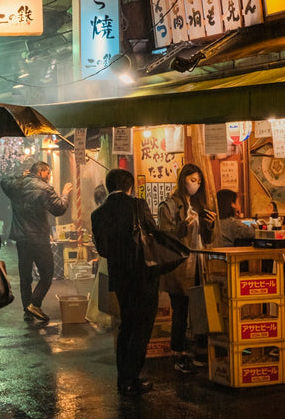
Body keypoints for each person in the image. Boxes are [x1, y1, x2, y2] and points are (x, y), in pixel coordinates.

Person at [91, 169, 160, 396]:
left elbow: (103, 250)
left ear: (109, 186)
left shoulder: (98, 214)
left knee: (127, 324)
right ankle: (133, 378)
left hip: (120, 277)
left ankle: (123, 379)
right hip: (144, 274)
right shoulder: (138, 206)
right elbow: (154, 234)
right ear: (129, 186)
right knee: (143, 326)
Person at [157, 163, 216, 374]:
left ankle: (200, 351)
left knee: (201, 306)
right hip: (180, 266)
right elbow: (165, 237)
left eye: (199, 181)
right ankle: (178, 353)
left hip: (199, 262)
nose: (196, 185)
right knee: (180, 310)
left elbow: (207, 238)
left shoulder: (200, 205)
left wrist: (210, 224)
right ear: (183, 180)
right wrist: (183, 226)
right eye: (192, 180)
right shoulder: (170, 206)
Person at [0, 161, 72, 323]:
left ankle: (28, 310)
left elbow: (3, 181)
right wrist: (65, 194)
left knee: (25, 276)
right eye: (48, 173)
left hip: (22, 239)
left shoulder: (16, 185)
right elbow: (59, 209)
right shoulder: (45, 188)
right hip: (39, 239)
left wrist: (20, 176)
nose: (49, 177)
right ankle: (35, 303)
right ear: (40, 172)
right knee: (47, 274)